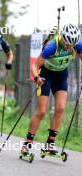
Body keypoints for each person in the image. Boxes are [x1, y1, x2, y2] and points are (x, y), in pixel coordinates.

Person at [21, 24, 82, 155]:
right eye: (68, 44)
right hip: (45, 76)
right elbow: (35, 66)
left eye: (73, 45)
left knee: (60, 108)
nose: (70, 47)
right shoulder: (52, 46)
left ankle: (50, 143)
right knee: (42, 111)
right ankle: (27, 143)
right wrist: (36, 77)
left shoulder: (77, 44)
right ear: (63, 39)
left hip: (61, 76)